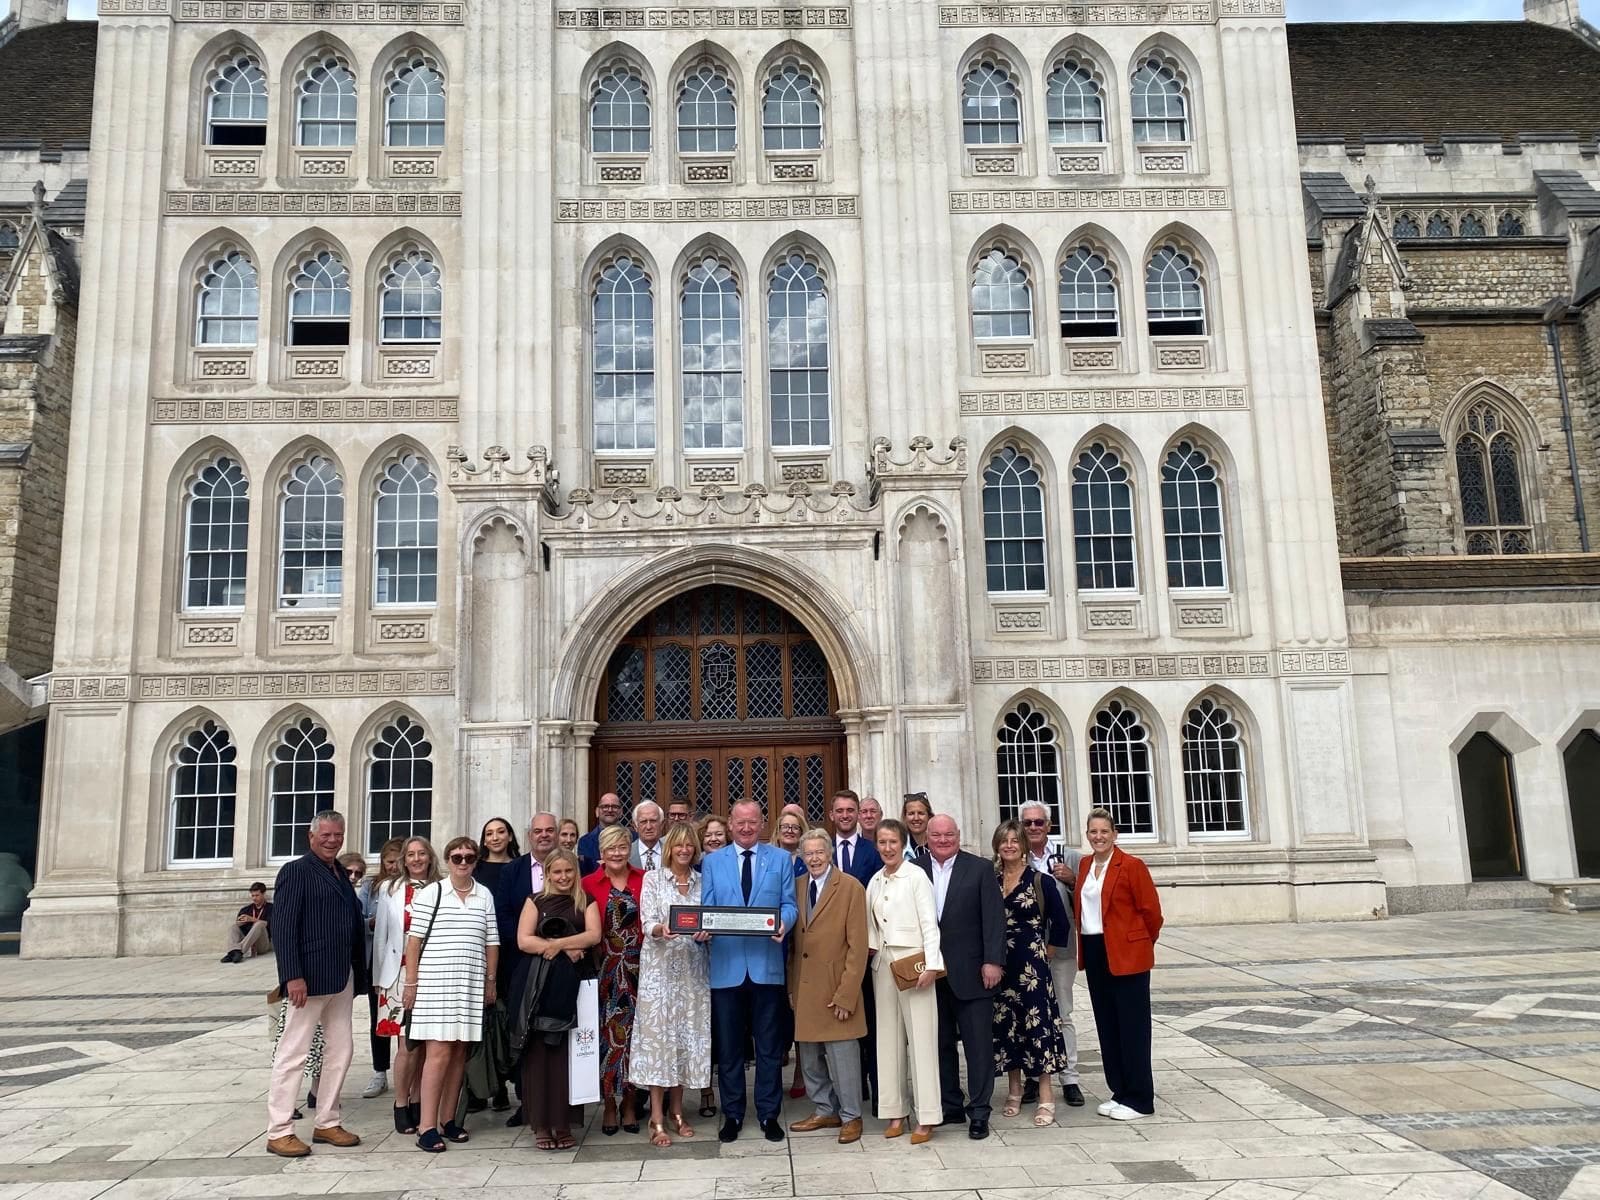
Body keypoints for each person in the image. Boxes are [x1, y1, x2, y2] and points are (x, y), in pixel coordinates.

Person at [264, 810, 365, 1159]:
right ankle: (279, 1130)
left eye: (338, 835)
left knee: (341, 1050)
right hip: (308, 980)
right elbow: (283, 927)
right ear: (311, 837)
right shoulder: (296, 871)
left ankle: (327, 1121)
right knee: (293, 1053)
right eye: (325, 835)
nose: (332, 840)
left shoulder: (338, 872)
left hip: (341, 977)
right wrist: (292, 975)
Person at [701, 799, 799, 1143]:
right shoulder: (712, 862)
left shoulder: (780, 859)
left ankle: (769, 1114)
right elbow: (707, 908)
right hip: (726, 967)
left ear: (762, 823)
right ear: (730, 824)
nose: (745, 828)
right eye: (740, 822)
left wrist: (784, 924)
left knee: (769, 1048)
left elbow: (789, 904)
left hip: (766, 967)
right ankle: (733, 1114)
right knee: (729, 1049)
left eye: (752, 822)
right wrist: (703, 928)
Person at [402, 836, 500, 1152]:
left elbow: (492, 942)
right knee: (438, 1052)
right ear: (447, 860)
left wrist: (490, 981)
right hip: (435, 984)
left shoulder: (484, 894)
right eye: (456, 857)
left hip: (470, 983)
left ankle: (448, 1119)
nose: (462, 862)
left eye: (469, 858)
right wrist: (411, 985)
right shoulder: (433, 892)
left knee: (460, 1052)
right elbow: (414, 943)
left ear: (476, 861)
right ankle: (426, 1126)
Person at [918, 813, 1004, 1140]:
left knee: (978, 1047)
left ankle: (979, 1112)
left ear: (958, 835)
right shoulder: (916, 869)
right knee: (939, 1045)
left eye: (949, 835)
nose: (943, 840)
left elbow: (993, 919)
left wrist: (993, 961)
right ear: (927, 837)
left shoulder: (980, 868)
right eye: (937, 835)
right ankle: (950, 1105)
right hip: (932, 975)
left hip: (973, 973)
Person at [1077, 807, 1163, 1121]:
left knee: (1133, 1027)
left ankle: (1140, 1098)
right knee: (1108, 1024)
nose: (1098, 837)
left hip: (1127, 953)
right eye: (1093, 832)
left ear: (1114, 834)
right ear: (1087, 835)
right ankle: (1120, 1091)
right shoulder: (1086, 865)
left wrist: (1138, 942)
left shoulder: (1131, 866)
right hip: (1095, 949)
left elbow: (1152, 913)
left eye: (1104, 831)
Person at [513, 848, 600, 1151]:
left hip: (576, 986)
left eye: (569, 871)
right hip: (540, 986)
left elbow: (593, 936)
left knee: (569, 1054)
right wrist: (565, 948)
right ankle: (540, 1125)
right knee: (539, 1055)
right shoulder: (535, 901)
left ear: (576, 872)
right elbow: (524, 940)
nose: (563, 877)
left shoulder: (584, 900)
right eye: (557, 872)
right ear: (547, 874)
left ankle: (564, 1123)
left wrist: (558, 944)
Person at [630, 821, 710, 1147]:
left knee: (685, 1039)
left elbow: (710, 919)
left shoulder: (702, 882)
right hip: (659, 974)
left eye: (689, 845)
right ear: (668, 848)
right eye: (678, 845)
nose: (684, 850)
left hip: (692, 971)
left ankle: (679, 1112)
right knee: (659, 1042)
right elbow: (646, 920)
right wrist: (661, 929)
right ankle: (657, 1116)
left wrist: (707, 934)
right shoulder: (652, 879)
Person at [864, 818, 942, 1145]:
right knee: (888, 1041)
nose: (887, 848)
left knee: (921, 1041)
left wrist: (933, 965)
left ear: (903, 843)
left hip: (914, 965)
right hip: (883, 965)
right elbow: (871, 927)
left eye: (893, 842)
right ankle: (896, 1110)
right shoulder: (875, 880)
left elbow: (930, 922)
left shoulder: (917, 876)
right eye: (882, 842)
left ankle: (927, 1116)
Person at [788, 829, 868, 1145]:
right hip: (805, 986)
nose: (814, 858)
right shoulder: (796, 886)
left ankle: (851, 1115)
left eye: (819, 852)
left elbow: (858, 946)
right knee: (808, 1056)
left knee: (843, 1056)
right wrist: (791, 989)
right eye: (808, 854)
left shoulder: (850, 887)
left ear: (830, 853)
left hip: (837, 987)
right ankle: (824, 1109)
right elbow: (795, 945)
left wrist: (847, 994)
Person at [990, 819, 1070, 1127]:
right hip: (1001, 966)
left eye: (1015, 840)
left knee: (1038, 1028)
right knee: (1008, 1026)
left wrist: (1044, 953)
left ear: (1024, 845)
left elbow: (1060, 924)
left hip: (1032, 968)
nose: (1009, 845)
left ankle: (1046, 1094)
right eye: (1004, 840)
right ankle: (1014, 1088)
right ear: (997, 845)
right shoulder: (992, 880)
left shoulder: (1041, 880)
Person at [491, 812, 563, 1125]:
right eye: (538, 831)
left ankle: (561, 1101)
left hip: (565, 966)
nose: (544, 835)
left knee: (559, 1033)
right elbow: (503, 914)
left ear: (558, 833)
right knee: (524, 1032)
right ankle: (527, 1101)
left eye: (550, 830)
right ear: (529, 834)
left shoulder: (578, 865)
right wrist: (530, 943)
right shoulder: (512, 871)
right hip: (522, 963)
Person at [372, 836, 442, 1135]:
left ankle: (418, 1100)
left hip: (434, 972)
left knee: (426, 1044)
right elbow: (382, 937)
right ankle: (401, 1103)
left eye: (421, 854)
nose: (416, 859)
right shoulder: (391, 889)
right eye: (411, 854)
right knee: (406, 1045)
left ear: (430, 857)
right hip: (397, 973)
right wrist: (377, 979)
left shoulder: (442, 887)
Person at [1020, 801, 1084, 1108]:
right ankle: (1034, 1076)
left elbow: (1087, 897)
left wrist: (1072, 880)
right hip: (1026, 951)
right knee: (1031, 1014)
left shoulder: (1068, 856)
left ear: (1049, 824)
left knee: (1062, 1012)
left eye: (1039, 822)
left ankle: (1069, 1077)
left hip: (1060, 949)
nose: (1033, 827)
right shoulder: (1013, 856)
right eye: (1028, 823)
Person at [582, 825, 645, 1135]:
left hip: (639, 970)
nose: (618, 853)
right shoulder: (588, 883)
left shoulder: (643, 879)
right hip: (604, 971)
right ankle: (608, 1103)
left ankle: (630, 1102)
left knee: (634, 1038)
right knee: (609, 1040)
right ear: (601, 853)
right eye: (611, 848)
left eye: (623, 847)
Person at [828, 790, 881, 1106]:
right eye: (841, 810)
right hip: (831, 955)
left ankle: (876, 1091)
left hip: (864, 951)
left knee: (870, 1024)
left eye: (851, 810)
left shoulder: (871, 851)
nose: (846, 815)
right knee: (838, 1022)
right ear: (832, 815)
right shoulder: (821, 851)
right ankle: (848, 1089)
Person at [359, 839, 404, 1099]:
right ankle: (380, 1071)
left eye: (399, 862)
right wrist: (373, 923)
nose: (394, 867)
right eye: (390, 862)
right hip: (377, 959)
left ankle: (407, 1068)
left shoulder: (414, 886)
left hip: (406, 960)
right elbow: (358, 917)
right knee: (380, 1017)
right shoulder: (371, 887)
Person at [693, 812, 728, 1119]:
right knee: (701, 1025)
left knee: (719, 1027)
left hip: (725, 956)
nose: (714, 839)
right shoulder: (693, 873)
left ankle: (719, 1086)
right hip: (696, 958)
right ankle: (705, 1089)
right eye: (709, 835)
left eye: (719, 834)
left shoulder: (731, 867)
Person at [578, 792, 636, 864]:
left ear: (621, 812)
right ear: (597, 812)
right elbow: (587, 870)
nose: (610, 810)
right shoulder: (585, 842)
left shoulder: (634, 838)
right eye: (605, 806)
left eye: (614, 807)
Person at [222, 882, 272, 963]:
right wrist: (240, 922)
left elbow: (272, 924)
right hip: (249, 944)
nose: (254, 898)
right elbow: (238, 926)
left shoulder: (271, 908)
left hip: (262, 945)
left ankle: (237, 951)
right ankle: (234, 951)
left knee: (259, 924)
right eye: (252, 896)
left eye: (257, 895)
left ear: (263, 894)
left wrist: (252, 919)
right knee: (234, 927)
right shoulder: (246, 909)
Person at [474, 818, 520, 895]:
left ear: (510, 837)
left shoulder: (520, 867)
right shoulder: (474, 867)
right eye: (489, 834)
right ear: (484, 841)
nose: (495, 838)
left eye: (501, 832)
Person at [630, 801, 666, 871]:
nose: (648, 827)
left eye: (653, 821)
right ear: (635, 826)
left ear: (662, 824)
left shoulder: (672, 852)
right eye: (643, 822)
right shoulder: (626, 854)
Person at [901, 794, 933, 863]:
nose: (916, 818)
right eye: (911, 813)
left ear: (929, 816)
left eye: (921, 813)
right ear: (905, 817)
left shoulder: (939, 845)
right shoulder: (898, 848)